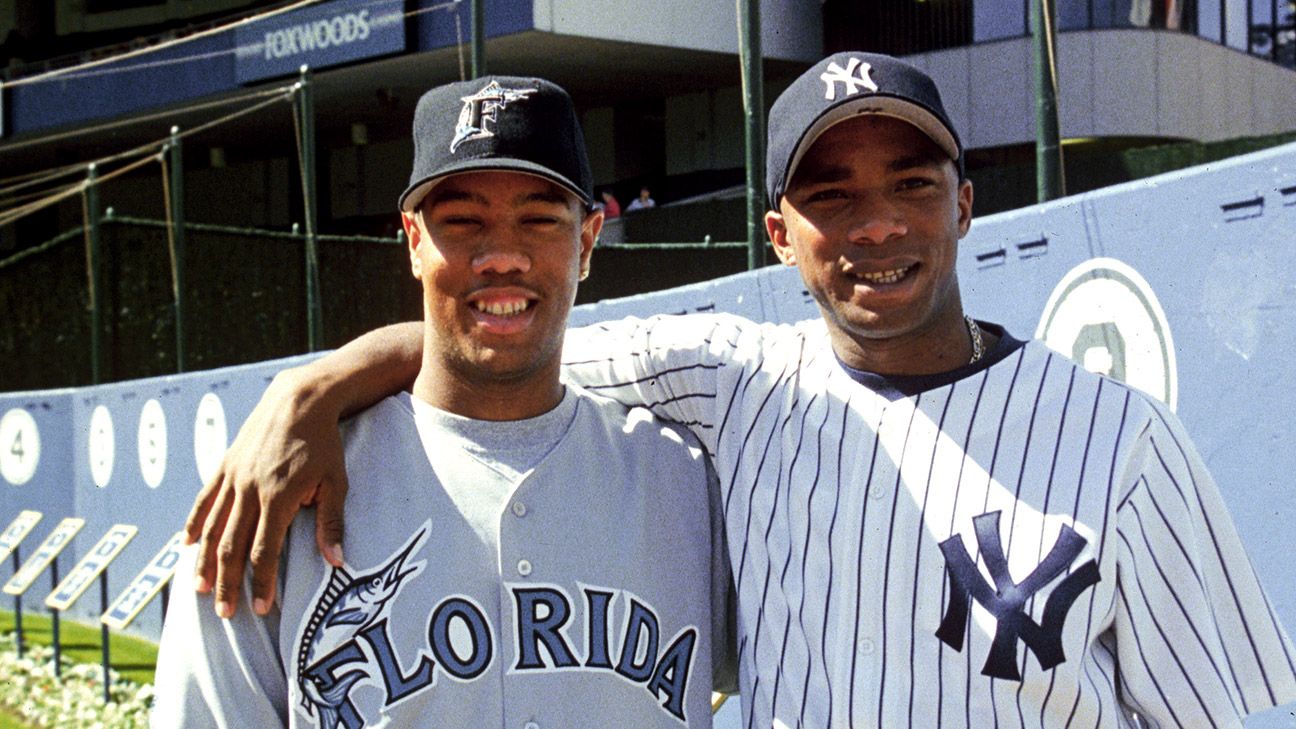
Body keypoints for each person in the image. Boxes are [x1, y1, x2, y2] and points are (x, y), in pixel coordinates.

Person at [188, 53, 1296, 727]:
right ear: (778, 236)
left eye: (912, 185)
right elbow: (503, 340)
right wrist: (315, 387)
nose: (875, 226)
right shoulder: (735, 382)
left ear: (965, 205)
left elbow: (1223, 713)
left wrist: (310, 383)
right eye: (830, 196)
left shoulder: (1119, 439)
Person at [155, 75, 733, 728]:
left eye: (539, 218)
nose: (501, 255)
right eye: (462, 221)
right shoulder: (276, 494)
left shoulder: (683, 481)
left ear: (589, 240)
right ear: (411, 240)